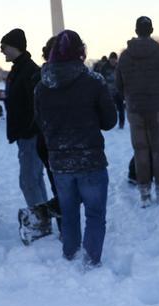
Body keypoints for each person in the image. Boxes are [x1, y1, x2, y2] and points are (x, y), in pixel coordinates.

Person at [34, 30, 115, 267]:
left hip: (59, 162)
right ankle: (91, 261)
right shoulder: (93, 82)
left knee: (68, 213)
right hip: (90, 160)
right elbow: (109, 121)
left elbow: (40, 122)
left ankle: (69, 256)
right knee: (95, 214)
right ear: (81, 51)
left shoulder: (41, 87)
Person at [117, 16, 159, 205]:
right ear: (151, 30)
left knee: (140, 149)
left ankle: (144, 193)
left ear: (136, 31)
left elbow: (118, 84)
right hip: (157, 107)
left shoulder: (125, 56)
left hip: (135, 108)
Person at [1, 28, 51, 242]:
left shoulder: (29, 71)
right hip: (26, 135)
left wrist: (30, 129)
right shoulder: (18, 70)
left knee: (28, 180)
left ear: (15, 47)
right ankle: (44, 218)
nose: (1, 50)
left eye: (4, 47)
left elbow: (36, 105)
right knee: (35, 177)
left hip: (31, 135)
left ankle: (40, 221)